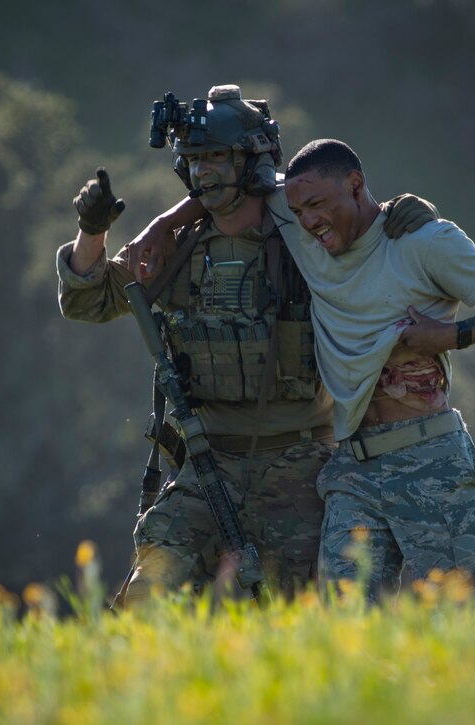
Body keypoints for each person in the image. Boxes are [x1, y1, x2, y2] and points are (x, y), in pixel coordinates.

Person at [56, 86, 437, 605]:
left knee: (300, 610)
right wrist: (92, 232)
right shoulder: (172, 247)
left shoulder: (308, 240)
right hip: (206, 465)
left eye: (216, 158)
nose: (203, 172)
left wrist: (407, 215)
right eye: (194, 160)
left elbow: (367, 229)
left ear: (251, 163)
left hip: (299, 464)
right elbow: (88, 302)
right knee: (145, 597)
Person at [278, 138, 475, 601]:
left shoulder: (425, 242)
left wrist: (454, 334)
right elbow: (229, 182)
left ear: (356, 186)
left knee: (468, 615)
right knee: (345, 626)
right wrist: (159, 228)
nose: (308, 221)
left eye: (317, 205)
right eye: (298, 211)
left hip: (430, 462)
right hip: (352, 468)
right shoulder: (303, 229)